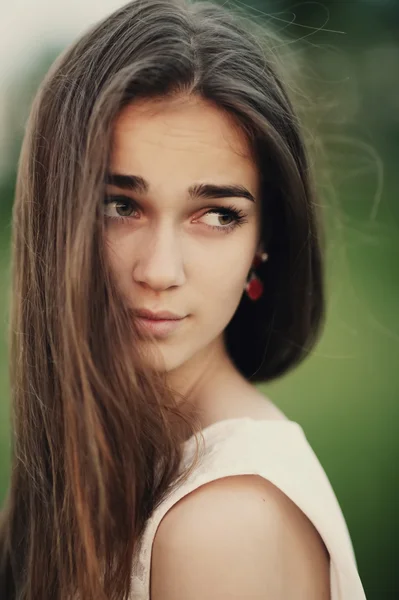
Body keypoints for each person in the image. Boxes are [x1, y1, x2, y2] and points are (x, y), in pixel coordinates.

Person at [0, 0, 367, 598]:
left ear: (264, 241)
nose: (160, 271)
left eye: (217, 214)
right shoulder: (101, 462)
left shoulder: (224, 523)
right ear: (54, 216)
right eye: (119, 205)